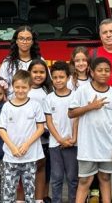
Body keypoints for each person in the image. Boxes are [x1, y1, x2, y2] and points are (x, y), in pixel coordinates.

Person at [68, 57, 112, 203]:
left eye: (107, 70)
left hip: (107, 146)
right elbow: (71, 113)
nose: (103, 73)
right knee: (85, 180)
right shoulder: (83, 91)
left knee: (105, 178)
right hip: (87, 146)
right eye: (99, 70)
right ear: (91, 72)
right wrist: (90, 107)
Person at [0, 70, 46, 203]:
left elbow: (40, 128)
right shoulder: (7, 106)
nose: (20, 90)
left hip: (30, 156)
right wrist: (12, 147)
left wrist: (26, 144)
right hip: (10, 157)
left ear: (30, 88)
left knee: (30, 192)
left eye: (24, 87)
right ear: (13, 86)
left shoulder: (35, 106)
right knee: (8, 191)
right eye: (17, 87)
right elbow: (1, 129)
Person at [45, 61, 79, 203]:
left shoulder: (76, 96)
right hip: (55, 145)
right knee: (57, 178)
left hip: (73, 144)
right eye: (55, 77)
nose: (58, 80)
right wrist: (60, 140)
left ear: (68, 77)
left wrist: (74, 138)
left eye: (61, 77)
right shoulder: (49, 98)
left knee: (72, 178)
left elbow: (77, 118)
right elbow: (49, 122)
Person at [28, 59, 53, 203]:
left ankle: (44, 196)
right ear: (29, 73)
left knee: (44, 168)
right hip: (29, 137)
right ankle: (29, 196)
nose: (38, 75)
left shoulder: (48, 91)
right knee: (29, 169)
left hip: (45, 137)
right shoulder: (25, 89)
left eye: (42, 72)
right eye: (35, 72)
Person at [0, 25, 43, 98]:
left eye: (28, 39)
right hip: (13, 102)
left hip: (36, 102)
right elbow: (2, 85)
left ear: (32, 42)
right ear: (16, 41)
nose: (24, 42)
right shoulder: (8, 62)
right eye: (21, 38)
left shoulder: (40, 60)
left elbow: (47, 83)